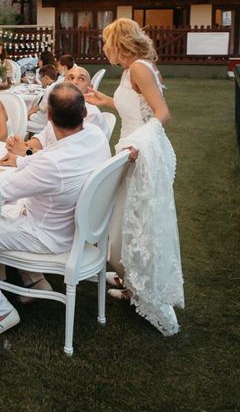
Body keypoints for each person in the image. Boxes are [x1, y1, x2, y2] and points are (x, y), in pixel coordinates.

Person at [0, 83, 111, 339]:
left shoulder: (52, 164)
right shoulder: (95, 135)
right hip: (74, 224)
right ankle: (31, 280)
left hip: (49, 235)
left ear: (49, 117)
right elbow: (46, 160)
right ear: (84, 113)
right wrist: (21, 160)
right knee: (0, 213)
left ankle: (0, 311)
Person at [85, 18, 184, 336]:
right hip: (128, 151)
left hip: (138, 154)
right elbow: (135, 108)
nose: (102, 48)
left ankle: (146, 292)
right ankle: (131, 285)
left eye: (105, 42)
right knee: (125, 226)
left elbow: (162, 113)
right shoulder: (131, 70)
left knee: (135, 225)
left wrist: (139, 143)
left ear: (119, 42)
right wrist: (108, 102)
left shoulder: (140, 67)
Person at [8, 66, 112, 159]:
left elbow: (68, 156)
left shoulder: (91, 115)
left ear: (90, 89)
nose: (75, 82)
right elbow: (43, 138)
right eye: (70, 78)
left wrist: (26, 151)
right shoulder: (60, 108)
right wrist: (22, 145)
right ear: (63, 84)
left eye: (81, 79)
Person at [26, 64, 58, 129]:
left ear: (46, 77)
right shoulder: (56, 86)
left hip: (45, 118)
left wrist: (27, 114)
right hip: (52, 117)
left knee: (27, 116)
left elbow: (42, 107)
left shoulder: (49, 89)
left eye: (41, 78)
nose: (40, 80)